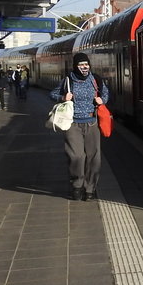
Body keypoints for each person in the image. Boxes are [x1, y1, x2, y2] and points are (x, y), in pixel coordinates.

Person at [50, 53, 109, 201]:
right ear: (75, 66)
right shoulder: (68, 80)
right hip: (72, 124)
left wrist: (102, 100)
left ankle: (90, 188)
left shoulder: (95, 80)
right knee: (76, 156)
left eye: (86, 64)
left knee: (94, 159)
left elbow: (106, 93)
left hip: (92, 122)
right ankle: (77, 185)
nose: (84, 67)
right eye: (81, 64)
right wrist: (63, 97)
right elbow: (52, 94)